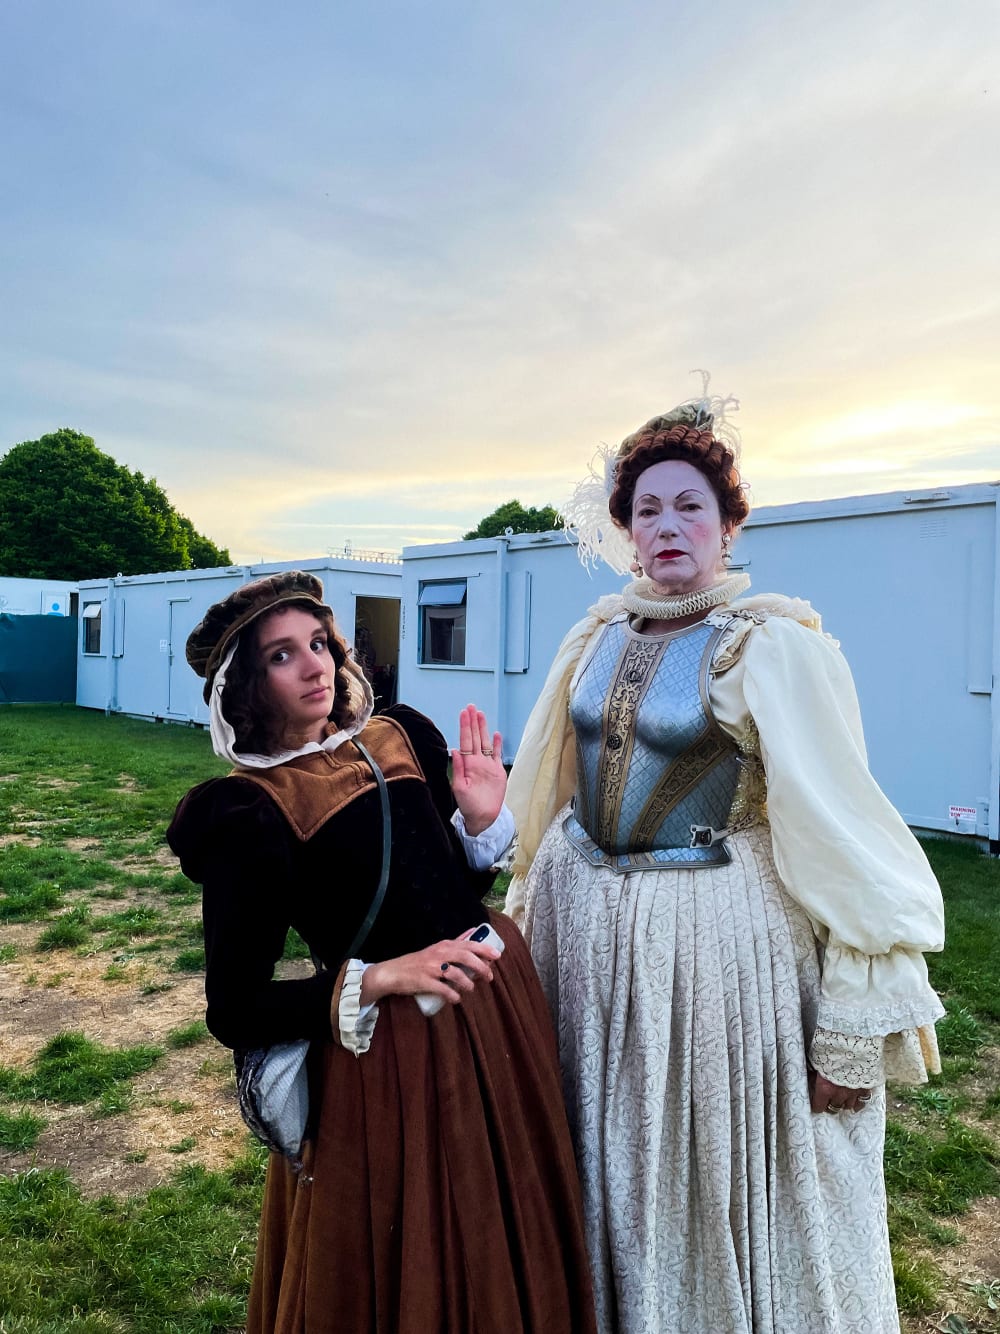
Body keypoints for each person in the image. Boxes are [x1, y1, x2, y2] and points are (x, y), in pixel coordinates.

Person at [504, 392, 946, 1334]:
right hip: (583, 938)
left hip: (709, 952)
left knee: (694, 1162)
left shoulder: (773, 648)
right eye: (649, 510)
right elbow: (551, 789)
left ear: (730, 524)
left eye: (689, 506)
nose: (668, 526)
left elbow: (847, 841)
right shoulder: (596, 637)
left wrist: (853, 1024)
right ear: (627, 530)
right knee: (597, 1146)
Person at [167, 571, 596, 1334]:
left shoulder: (399, 736)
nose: (315, 665)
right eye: (281, 656)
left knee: (506, 1206)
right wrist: (380, 979)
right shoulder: (250, 812)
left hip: (494, 1005)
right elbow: (234, 1007)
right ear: (244, 689)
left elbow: (443, 879)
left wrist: (479, 820)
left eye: (320, 644)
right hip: (395, 1053)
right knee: (417, 1238)